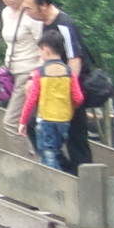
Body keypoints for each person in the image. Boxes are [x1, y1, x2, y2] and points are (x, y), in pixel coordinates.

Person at [23, 0, 91, 171]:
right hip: (51, 92)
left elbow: (74, 61)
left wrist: (70, 94)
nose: (26, 12)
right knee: (33, 126)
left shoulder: (64, 24)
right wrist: (33, 78)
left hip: (69, 90)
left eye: (28, 7)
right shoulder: (45, 24)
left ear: (43, 5)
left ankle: (84, 182)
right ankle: (63, 170)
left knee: (77, 138)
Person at [16, 27, 85, 173]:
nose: (39, 53)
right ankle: (65, 176)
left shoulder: (40, 73)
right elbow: (78, 98)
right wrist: (69, 108)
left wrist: (23, 121)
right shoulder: (69, 73)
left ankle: (56, 185)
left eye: (40, 50)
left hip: (46, 120)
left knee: (48, 155)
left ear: (46, 50)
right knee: (56, 151)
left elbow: (31, 99)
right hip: (64, 122)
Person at [0, 0, 43, 139]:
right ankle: (36, 158)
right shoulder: (6, 13)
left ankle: (23, 162)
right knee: (28, 122)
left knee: (11, 122)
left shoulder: (31, 14)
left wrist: (35, 75)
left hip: (28, 72)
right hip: (11, 72)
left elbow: (44, 46)